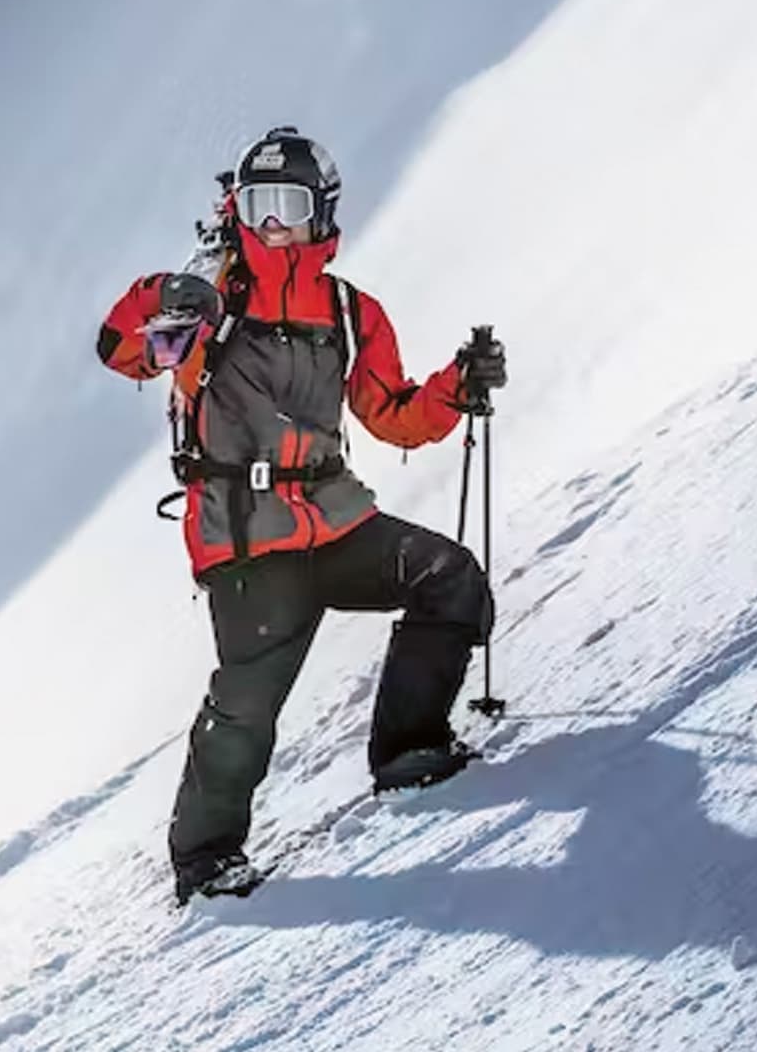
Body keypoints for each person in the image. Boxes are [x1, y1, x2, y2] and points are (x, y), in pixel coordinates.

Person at [95, 126, 506, 904]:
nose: (272, 223)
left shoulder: (351, 312)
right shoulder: (208, 300)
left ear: (323, 214)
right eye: (258, 205)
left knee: (449, 579)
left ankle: (409, 752)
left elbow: (392, 415)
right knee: (248, 700)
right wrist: (160, 298)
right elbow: (122, 348)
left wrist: (458, 385)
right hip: (246, 539)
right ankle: (207, 859)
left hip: (336, 520)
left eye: (288, 205)